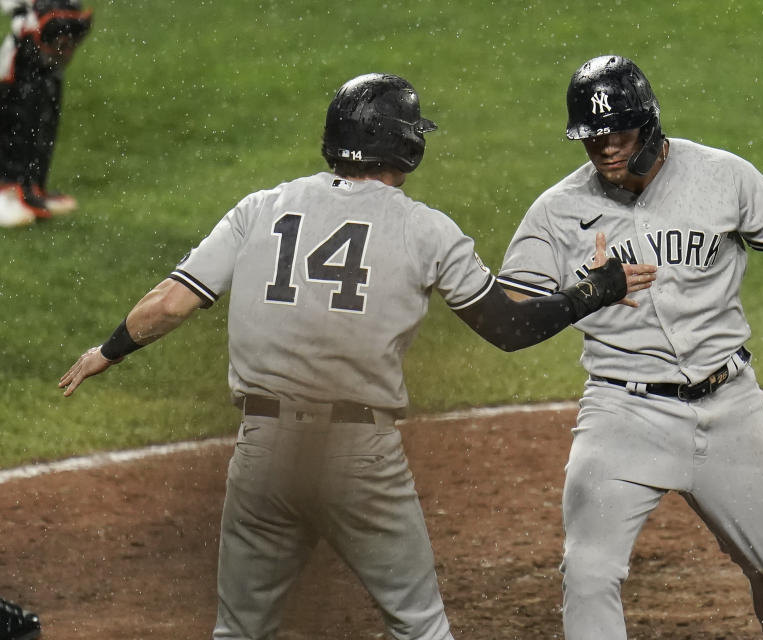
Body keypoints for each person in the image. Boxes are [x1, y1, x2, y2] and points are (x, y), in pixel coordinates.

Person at [58, 72, 653, 640]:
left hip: (262, 452)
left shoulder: (260, 208)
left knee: (239, 629)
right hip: (358, 459)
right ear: (404, 143)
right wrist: (597, 287)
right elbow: (511, 328)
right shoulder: (427, 231)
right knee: (418, 623)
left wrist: (106, 351)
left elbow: (170, 303)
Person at [496, 55, 763, 640]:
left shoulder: (724, 177)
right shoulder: (556, 211)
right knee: (587, 573)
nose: (606, 149)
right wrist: (589, 293)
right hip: (622, 414)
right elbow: (511, 321)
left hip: (729, 404)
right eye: (592, 138)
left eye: (619, 134)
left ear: (650, 125)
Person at [0, 0, 91, 228]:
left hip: (46, 32)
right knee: (19, 114)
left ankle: (31, 188)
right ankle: (7, 191)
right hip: (23, 48)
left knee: (43, 115)